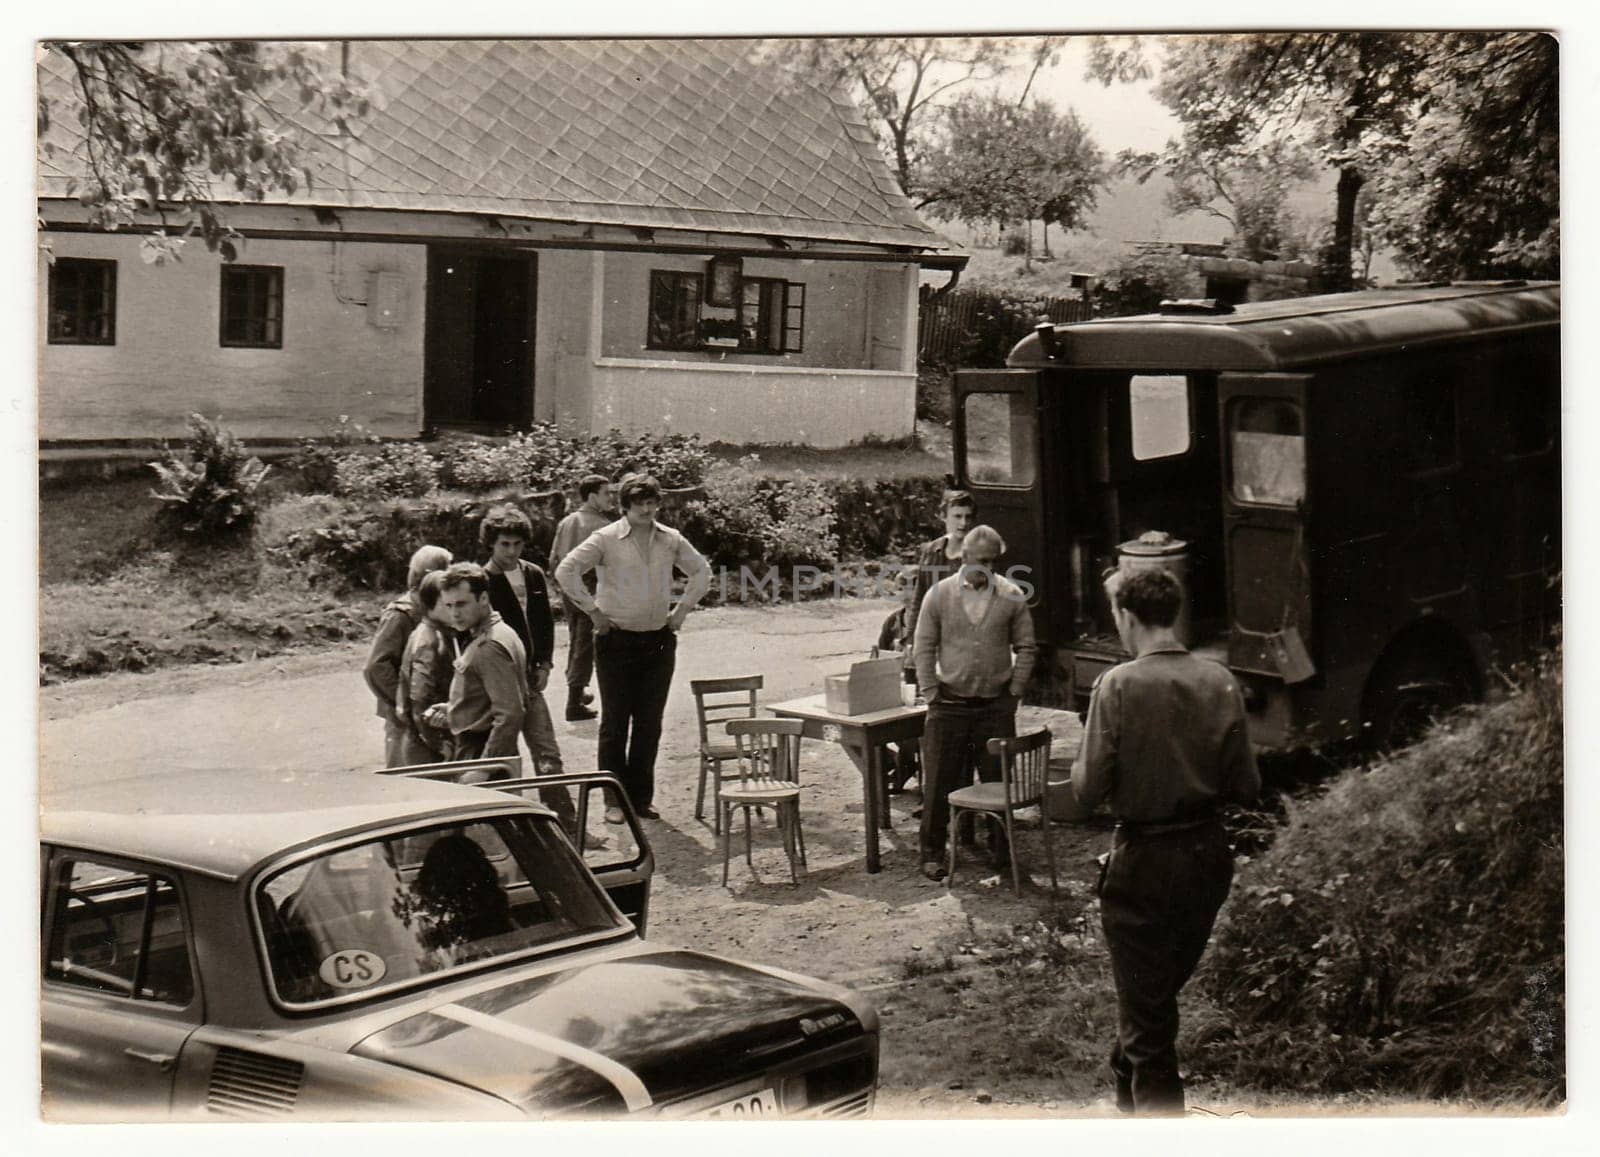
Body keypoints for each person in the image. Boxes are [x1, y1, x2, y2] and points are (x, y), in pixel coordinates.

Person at [1071, 567, 1261, 1116]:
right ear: (1174, 614)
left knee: (1150, 1027)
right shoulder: (1220, 679)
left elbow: (1085, 790)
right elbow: (1248, 785)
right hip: (1207, 859)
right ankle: (1125, 1081)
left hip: (1144, 863)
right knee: (1153, 1004)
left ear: (1126, 617)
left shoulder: (1118, 684)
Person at [554, 474, 710, 823]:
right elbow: (566, 571)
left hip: (658, 640)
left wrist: (681, 610)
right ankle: (613, 801)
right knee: (614, 722)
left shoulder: (670, 539)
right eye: (639, 502)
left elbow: (702, 572)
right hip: (616, 642)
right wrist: (593, 611)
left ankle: (641, 798)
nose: (647, 508)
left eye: (652, 501)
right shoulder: (606, 539)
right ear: (624, 505)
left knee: (649, 723)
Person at [912, 524, 1037, 882]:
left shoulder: (1012, 595)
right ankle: (933, 853)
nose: (989, 567)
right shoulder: (938, 595)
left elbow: (1027, 647)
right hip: (948, 704)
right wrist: (931, 692)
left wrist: (1014, 690)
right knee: (938, 783)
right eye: (982, 560)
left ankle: (1002, 855)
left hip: (995, 707)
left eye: (994, 561)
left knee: (999, 782)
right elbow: (923, 647)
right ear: (963, 557)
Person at [424, 563, 578, 833]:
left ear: (483, 598)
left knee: (490, 840)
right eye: (448, 606)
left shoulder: (490, 646)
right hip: (483, 748)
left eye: (461, 603)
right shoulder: (497, 633)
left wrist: (484, 768)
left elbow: (510, 712)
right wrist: (455, 707)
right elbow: (493, 697)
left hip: (481, 752)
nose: (454, 613)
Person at [888, 490, 978, 792]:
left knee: (960, 728)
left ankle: (961, 800)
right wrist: (911, 642)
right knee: (928, 721)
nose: (963, 523)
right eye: (957, 516)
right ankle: (931, 795)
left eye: (968, 517)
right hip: (931, 644)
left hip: (962, 649)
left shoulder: (980, 553)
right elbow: (918, 599)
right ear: (944, 517)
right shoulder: (931, 552)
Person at [479, 504, 568, 787]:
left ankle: (562, 820)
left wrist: (545, 663)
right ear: (491, 543)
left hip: (531, 677)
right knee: (505, 757)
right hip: (501, 679)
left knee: (547, 753)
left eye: (517, 544)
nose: (511, 551)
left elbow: (544, 624)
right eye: (504, 544)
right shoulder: (482, 581)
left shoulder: (533, 574)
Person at [363, 544, 452, 767]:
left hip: (428, 714)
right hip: (404, 719)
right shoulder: (400, 614)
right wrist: (405, 703)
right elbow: (376, 666)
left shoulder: (431, 609)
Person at [548, 474, 615, 721]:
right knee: (585, 645)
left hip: (568, 587)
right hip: (591, 588)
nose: (611, 498)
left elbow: (553, 559)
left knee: (577, 639)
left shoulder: (567, 522)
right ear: (592, 496)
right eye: (606, 493)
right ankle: (574, 701)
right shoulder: (603, 526)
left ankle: (578, 689)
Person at [396, 570, 456, 765]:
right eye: (447, 603)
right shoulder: (429, 640)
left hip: (428, 738)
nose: (454, 609)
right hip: (427, 746)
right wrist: (438, 743)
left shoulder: (434, 633)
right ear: (431, 604)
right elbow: (420, 698)